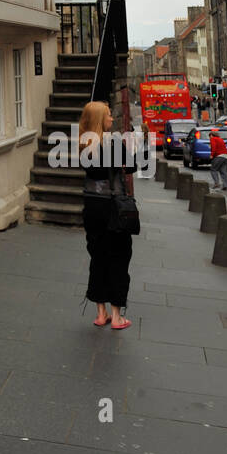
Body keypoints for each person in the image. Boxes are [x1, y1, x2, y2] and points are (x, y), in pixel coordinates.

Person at [79, 100, 134, 331]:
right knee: (119, 258)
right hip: (113, 207)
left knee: (98, 257)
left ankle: (100, 314)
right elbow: (131, 167)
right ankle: (117, 316)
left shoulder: (83, 144)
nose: (112, 118)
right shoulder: (113, 142)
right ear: (101, 119)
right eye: (109, 115)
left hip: (92, 205)